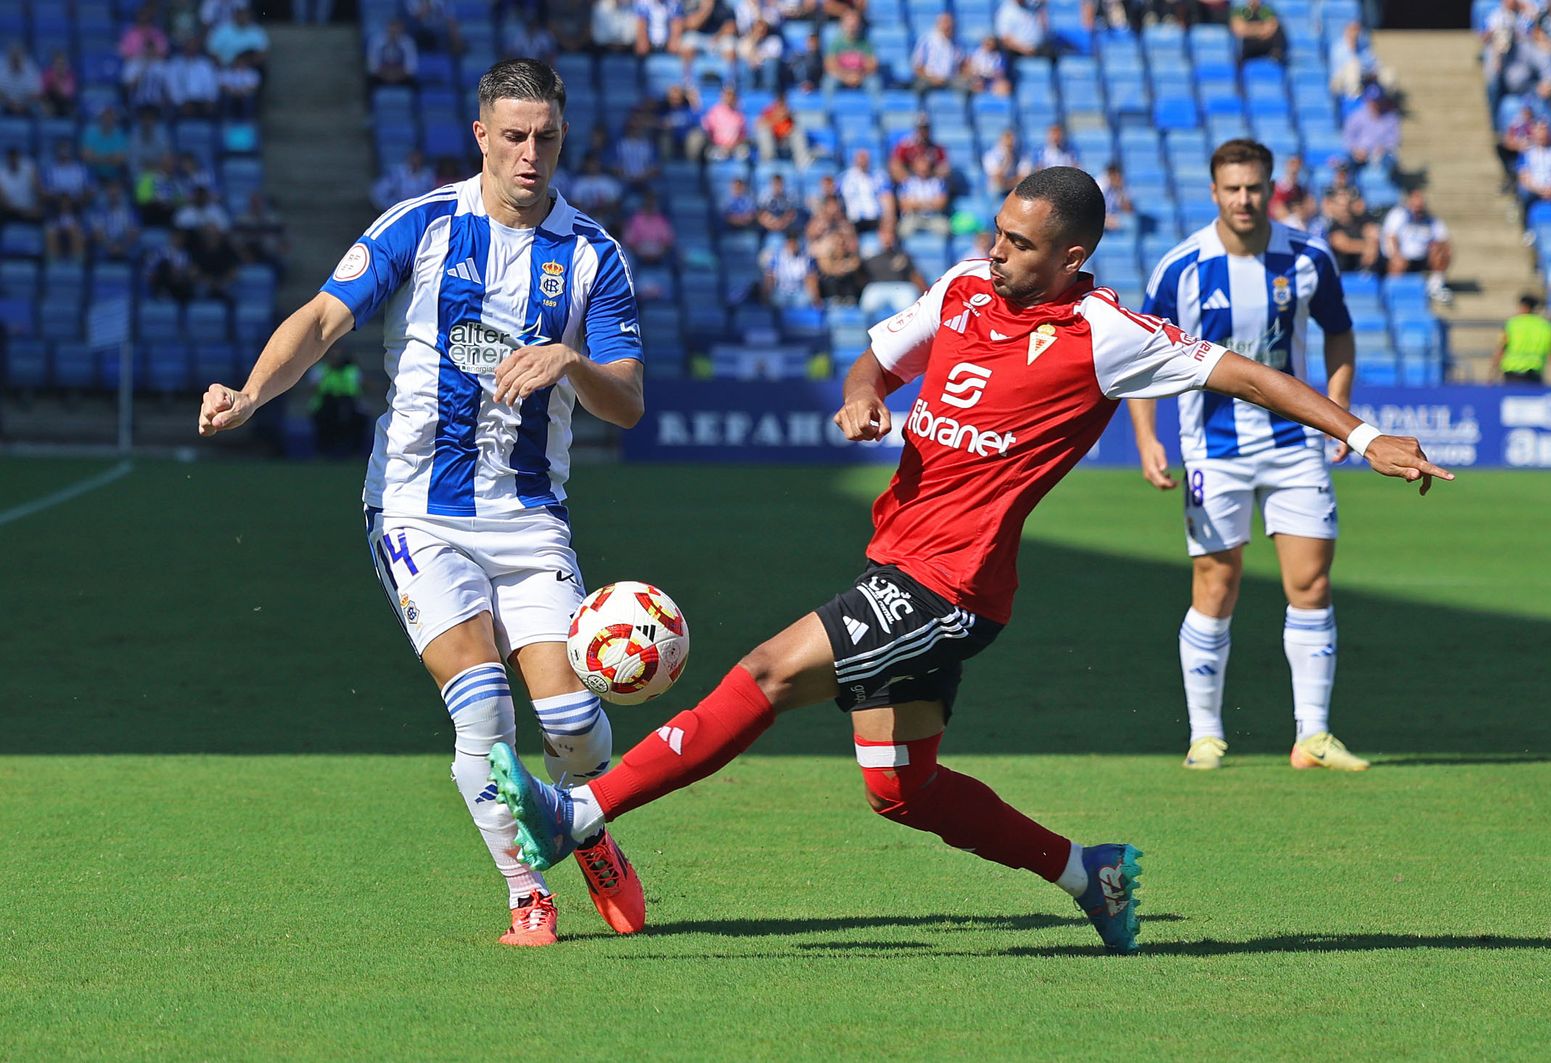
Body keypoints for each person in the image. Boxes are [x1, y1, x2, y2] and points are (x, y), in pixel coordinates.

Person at [483, 166, 1450, 956]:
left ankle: (581, 810)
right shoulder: (962, 288)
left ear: (1072, 257)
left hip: (949, 584)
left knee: (769, 671)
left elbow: (1249, 374)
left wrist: (1364, 437)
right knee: (901, 789)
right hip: (900, 558)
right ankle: (1090, 872)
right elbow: (878, 358)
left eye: (1021, 244)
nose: (998, 250)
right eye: (998, 231)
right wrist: (863, 396)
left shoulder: (1104, 333)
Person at [196, 58, 650, 949]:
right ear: (480, 134)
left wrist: (573, 363)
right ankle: (529, 892)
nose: (530, 154)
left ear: (564, 136)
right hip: (415, 509)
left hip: (528, 517)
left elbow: (627, 400)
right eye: (513, 137)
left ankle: (582, 819)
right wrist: (252, 393)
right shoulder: (424, 224)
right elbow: (326, 318)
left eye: (546, 137)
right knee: (481, 705)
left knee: (572, 725)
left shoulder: (593, 253)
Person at [1135, 139, 1366, 773]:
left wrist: (1340, 415)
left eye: (1255, 187)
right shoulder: (1180, 268)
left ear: (1271, 189)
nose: (1244, 199)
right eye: (1233, 188)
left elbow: (1339, 333)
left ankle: (1312, 736)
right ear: (1214, 192)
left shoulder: (1309, 257)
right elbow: (1140, 354)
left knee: (1311, 583)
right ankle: (1205, 734)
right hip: (1214, 448)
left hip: (1295, 447)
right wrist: (1148, 437)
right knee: (1217, 583)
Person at [1382, 188, 1453, 304]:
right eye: (1415, 206)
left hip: (1423, 258)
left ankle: (1435, 286)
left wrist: (1437, 248)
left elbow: (1444, 241)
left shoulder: (1432, 220)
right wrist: (1396, 255)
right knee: (1397, 262)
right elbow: (1390, 237)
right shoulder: (1398, 215)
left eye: (1420, 206)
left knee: (1442, 252)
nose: (1418, 209)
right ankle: (1393, 293)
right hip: (1402, 257)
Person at [1497, 293, 1551, 384]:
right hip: (1534, 374)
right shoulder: (1546, 326)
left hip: (1512, 374)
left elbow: (1500, 350)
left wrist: (1492, 374)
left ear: (1524, 307)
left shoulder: (1512, 324)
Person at [1230, 0, 1287, 64]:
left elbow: (1271, 28)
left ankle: (1277, 55)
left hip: (1264, 44)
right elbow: (1238, 29)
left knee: (1279, 29)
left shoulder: (1265, 10)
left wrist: (1247, 28)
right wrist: (1260, 29)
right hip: (1247, 47)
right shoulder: (1241, 10)